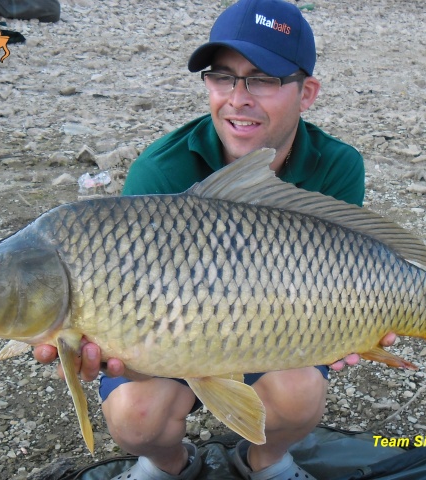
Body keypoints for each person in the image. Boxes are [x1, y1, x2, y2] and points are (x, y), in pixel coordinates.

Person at [34, 0, 397, 478]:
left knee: (301, 394)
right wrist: (111, 354)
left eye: (263, 78)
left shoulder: (338, 165)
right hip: (175, 333)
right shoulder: (159, 170)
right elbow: (133, 311)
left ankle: (267, 462)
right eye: (221, 76)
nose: (237, 97)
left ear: (307, 93)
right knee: (136, 418)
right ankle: (168, 467)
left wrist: (358, 328)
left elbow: (347, 267)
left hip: (278, 328)